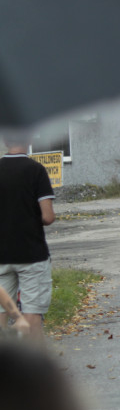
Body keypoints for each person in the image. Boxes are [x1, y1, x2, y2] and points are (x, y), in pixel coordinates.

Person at [0, 133, 56, 340]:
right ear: (29, 141)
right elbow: (48, 217)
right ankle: (35, 369)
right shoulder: (36, 170)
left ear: (5, 142)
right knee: (32, 313)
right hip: (32, 254)